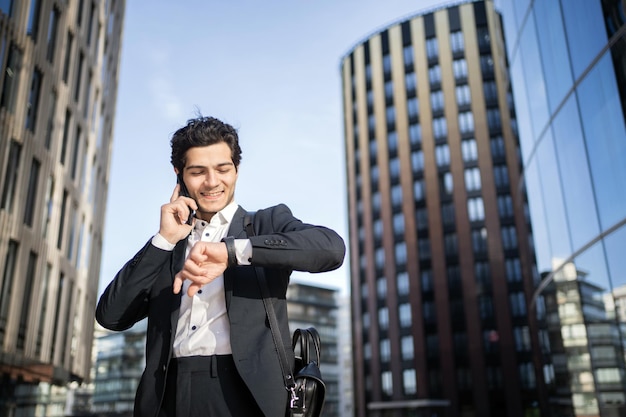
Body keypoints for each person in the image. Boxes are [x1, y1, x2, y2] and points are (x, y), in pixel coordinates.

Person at [95, 115, 346, 417]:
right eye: (198, 172)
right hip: (170, 395)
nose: (212, 182)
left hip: (248, 395)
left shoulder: (265, 224)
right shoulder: (169, 245)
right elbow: (111, 316)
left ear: (236, 170)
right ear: (179, 175)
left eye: (222, 169)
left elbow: (331, 248)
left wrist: (232, 252)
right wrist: (163, 239)